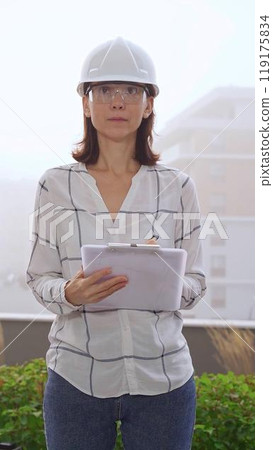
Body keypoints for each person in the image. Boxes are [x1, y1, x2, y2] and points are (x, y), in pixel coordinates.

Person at [26, 36, 206, 450]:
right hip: (76, 379)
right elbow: (39, 279)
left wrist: (171, 284)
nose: (118, 103)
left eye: (131, 91)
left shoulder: (178, 187)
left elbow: (196, 281)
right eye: (105, 91)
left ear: (148, 104)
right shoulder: (55, 185)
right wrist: (70, 292)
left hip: (164, 380)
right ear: (87, 103)